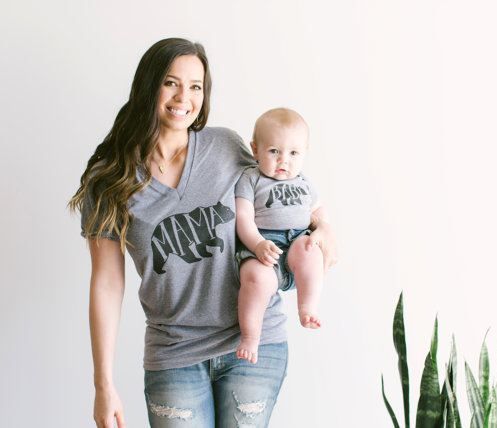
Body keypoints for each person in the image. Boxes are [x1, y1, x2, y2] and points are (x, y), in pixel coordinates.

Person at [69, 38, 337, 428]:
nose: (184, 97)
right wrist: (103, 384)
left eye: (195, 86)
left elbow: (284, 190)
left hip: (255, 344)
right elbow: (107, 283)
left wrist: (324, 227)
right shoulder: (110, 179)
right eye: (171, 82)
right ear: (148, 86)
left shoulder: (226, 147)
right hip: (173, 355)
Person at [235, 108, 325, 365]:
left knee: (310, 249)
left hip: (297, 240)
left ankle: (307, 308)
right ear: (255, 150)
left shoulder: (304, 182)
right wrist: (257, 244)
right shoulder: (251, 179)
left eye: (293, 153)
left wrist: (323, 230)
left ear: (304, 152)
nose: (284, 160)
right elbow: (243, 217)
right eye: (274, 151)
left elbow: (318, 210)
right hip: (264, 246)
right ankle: (250, 337)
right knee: (256, 279)